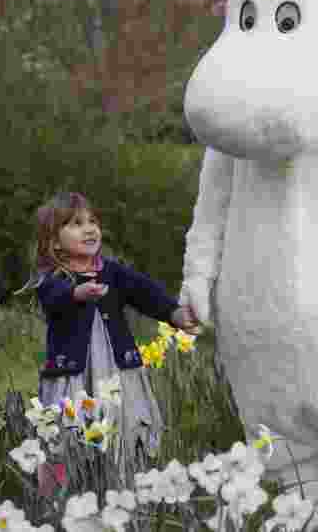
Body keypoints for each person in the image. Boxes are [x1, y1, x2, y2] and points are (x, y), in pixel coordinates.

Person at [17, 192, 200, 478]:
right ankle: (64, 495)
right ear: (54, 242)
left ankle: (123, 484)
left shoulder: (113, 273)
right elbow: (53, 298)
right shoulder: (52, 279)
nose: (89, 228)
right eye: (76, 223)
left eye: (93, 221)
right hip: (73, 376)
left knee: (123, 424)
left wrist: (174, 313)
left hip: (117, 372)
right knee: (67, 430)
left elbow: (144, 292)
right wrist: (76, 293)